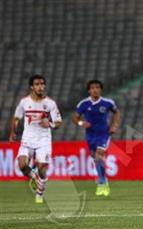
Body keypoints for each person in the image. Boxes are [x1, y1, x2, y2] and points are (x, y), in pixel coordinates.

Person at [9, 74, 62, 203]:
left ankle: (40, 191)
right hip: (27, 139)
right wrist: (13, 132)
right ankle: (34, 178)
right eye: (37, 84)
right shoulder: (24, 102)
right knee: (22, 165)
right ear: (32, 86)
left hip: (43, 140)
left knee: (42, 167)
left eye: (42, 84)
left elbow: (58, 122)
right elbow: (16, 118)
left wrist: (49, 123)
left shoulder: (50, 103)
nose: (40, 87)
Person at [73, 80, 121, 196]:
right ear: (89, 90)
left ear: (101, 89)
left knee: (99, 154)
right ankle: (103, 179)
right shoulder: (83, 104)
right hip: (90, 136)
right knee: (96, 159)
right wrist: (80, 123)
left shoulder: (107, 102)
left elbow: (117, 113)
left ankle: (101, 183)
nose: (95, 90)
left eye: (98, 87)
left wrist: (114, 125)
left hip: (104, 134)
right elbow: (75, 117)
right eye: (93, 88)